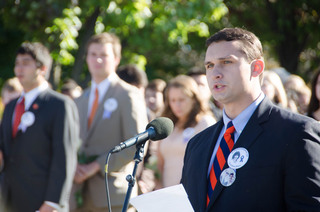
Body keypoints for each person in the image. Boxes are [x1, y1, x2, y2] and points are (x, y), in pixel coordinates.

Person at [180, 27, 320, 212]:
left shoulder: (297, 133)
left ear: (256, 68)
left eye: (227, 62)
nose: (215, 73)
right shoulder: (197, 144)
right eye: (209, 65)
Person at [70, 32, 148, 212]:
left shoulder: (128, 94)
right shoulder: (80, 99)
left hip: (113, 195)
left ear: (116, 59)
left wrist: (96, 166)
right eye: (93, 54)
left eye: (103, 55)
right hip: (80, 195)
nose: (97, 60)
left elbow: (137, 144)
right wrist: (74, 165)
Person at [0, 42, 80, 212]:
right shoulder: (11, 106)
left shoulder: (60, 105)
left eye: (26, 63)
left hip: (42, 203)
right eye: (17, 63)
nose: (19, 68)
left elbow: (64, 157)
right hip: (9, 201)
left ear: (42, 68)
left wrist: (52, 203)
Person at [158, 75, 216, 188]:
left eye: (181, 100)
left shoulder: (205, 123)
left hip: (192, 193)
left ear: (194, 99)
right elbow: (160, 163)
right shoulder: (169, 125)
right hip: (166, 193)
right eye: (173, 100)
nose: (177, 105)